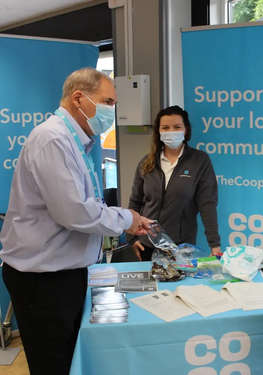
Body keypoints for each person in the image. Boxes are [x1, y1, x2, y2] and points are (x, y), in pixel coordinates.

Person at [0, 67, 151, 374]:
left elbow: (84, 204)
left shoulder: (75, 141)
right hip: (43, 281)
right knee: (53, 364)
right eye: (107, 102)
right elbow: (74, 212)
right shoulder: (52, 139)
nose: (112, 111)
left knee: (68, 360)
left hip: (63, 273)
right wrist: (127, 219)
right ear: (79, 98)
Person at [128, 105, 221, 260]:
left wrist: (215, 245)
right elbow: (135, 202)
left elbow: (208, 205)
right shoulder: (146, 163)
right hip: (146, 244)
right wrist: (132, 238)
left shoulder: (199, 161)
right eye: (165, 127)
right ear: (159, 131)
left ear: (186, 130)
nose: (171, 131)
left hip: (181, 247)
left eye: (177, 127)